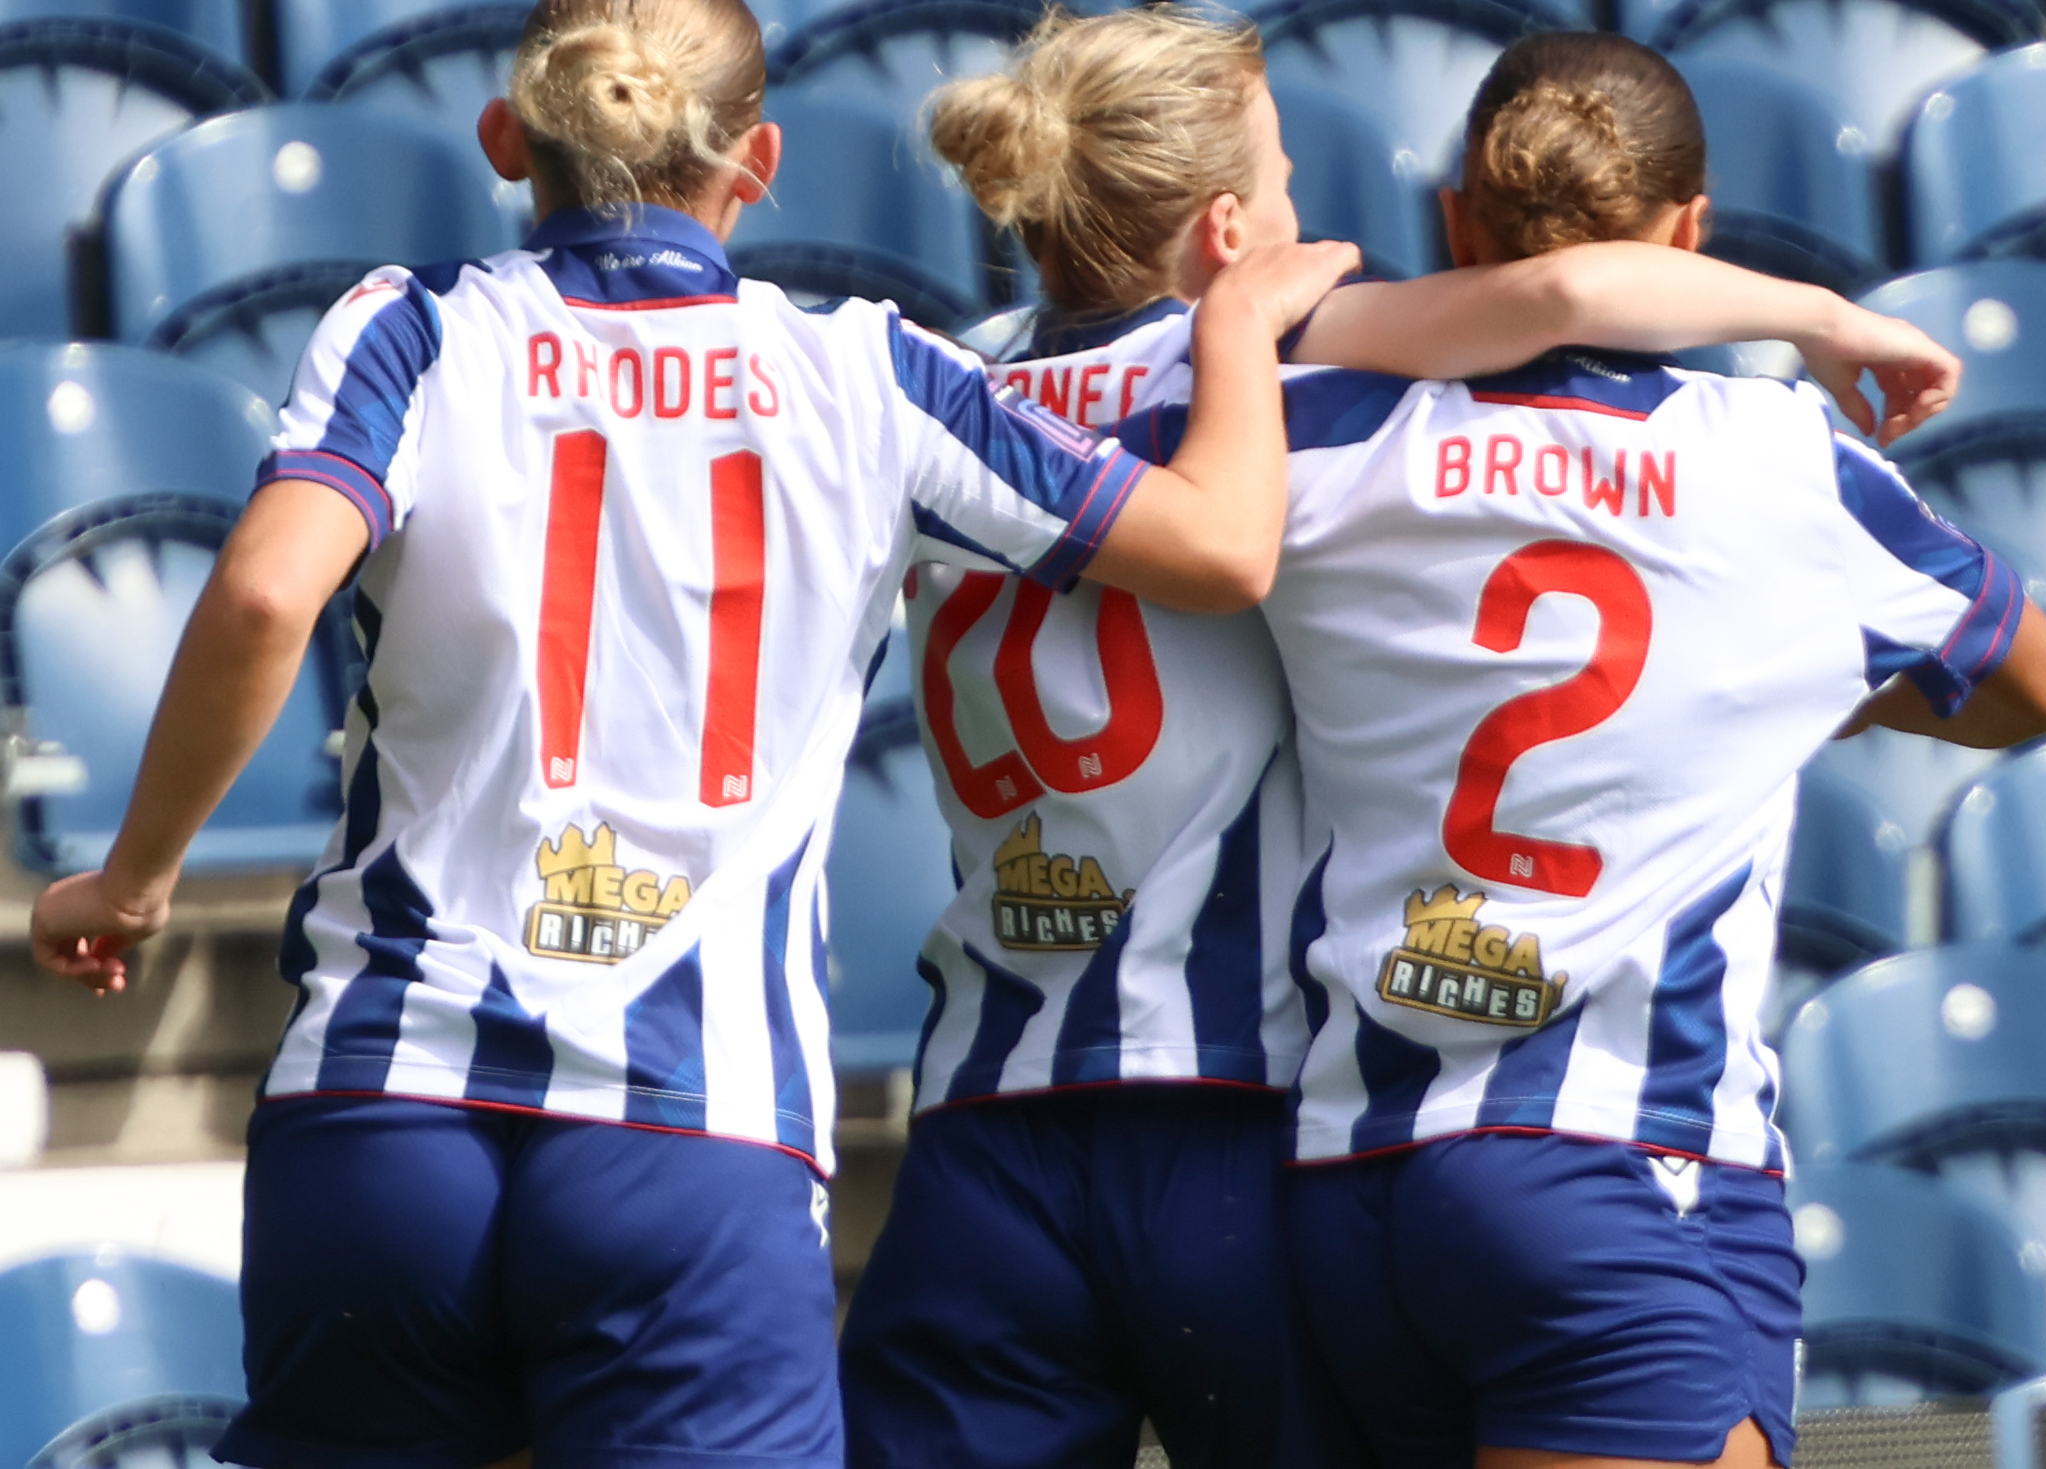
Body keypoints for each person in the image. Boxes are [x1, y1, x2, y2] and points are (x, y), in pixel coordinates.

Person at [25, 1, 1363, 1465]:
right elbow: (1222, 546)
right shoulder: (870, 369)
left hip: (384, 1100)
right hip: (693, 1127)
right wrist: (1233, 319)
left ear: (504, 140)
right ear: (761, 159)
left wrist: (137, 876)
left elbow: (269, 589)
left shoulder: (408, 325)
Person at [840, 11, 1970, 1469]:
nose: (1314, 215)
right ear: (1232, 225)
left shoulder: (943, 381)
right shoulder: (1272, 385)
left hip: (988, 1110)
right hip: (1222, 1113)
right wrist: (1823, 315)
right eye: (1292, 180)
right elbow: (1559, 288)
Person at [1111, 31, 2046, 1469]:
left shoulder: (1307, 434)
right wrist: (1778, 679)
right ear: (1693, 233)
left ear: (1455, 225)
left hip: (1350, 1175)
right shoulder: (1785, 464)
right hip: (1619, 1172)